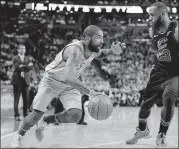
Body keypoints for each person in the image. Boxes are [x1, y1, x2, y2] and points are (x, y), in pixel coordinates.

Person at [11, 25, 126, 148]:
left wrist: (112, 51)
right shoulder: (75, 50)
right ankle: (19, 135)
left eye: (102, 38)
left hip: (68, 86)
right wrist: (91, 93)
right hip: (51, 82)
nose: (102, 41)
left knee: (76, 115)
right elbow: (69, 78)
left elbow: (99, 54)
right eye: (98, 38)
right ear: (87, 38)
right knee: (34, 116)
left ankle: (45, 120)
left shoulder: (92, 50)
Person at [126, 2, 179, 148]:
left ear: (162, 13)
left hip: (175, 73)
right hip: (158, 71)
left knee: (169, 99)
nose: (149, 17)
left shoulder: (176, 28)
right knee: (145, 105)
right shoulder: (152, 30)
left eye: (151, 14)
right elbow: (160, 51)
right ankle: (142, 130)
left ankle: (161, 135)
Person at [11, 44, 33, 121]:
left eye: (24, 48)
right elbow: (16, 66)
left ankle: (25, 114)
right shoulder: (15, 58)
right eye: (21, 48)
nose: (22, 50)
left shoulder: (28, 58)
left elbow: (31, 67)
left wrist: (23, 66)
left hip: (26, 81)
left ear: (25, 50)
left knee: (26, 99)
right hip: (17, 81)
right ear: (18, 50)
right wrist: (26, 66)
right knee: (16, 99)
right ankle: (16, 115)